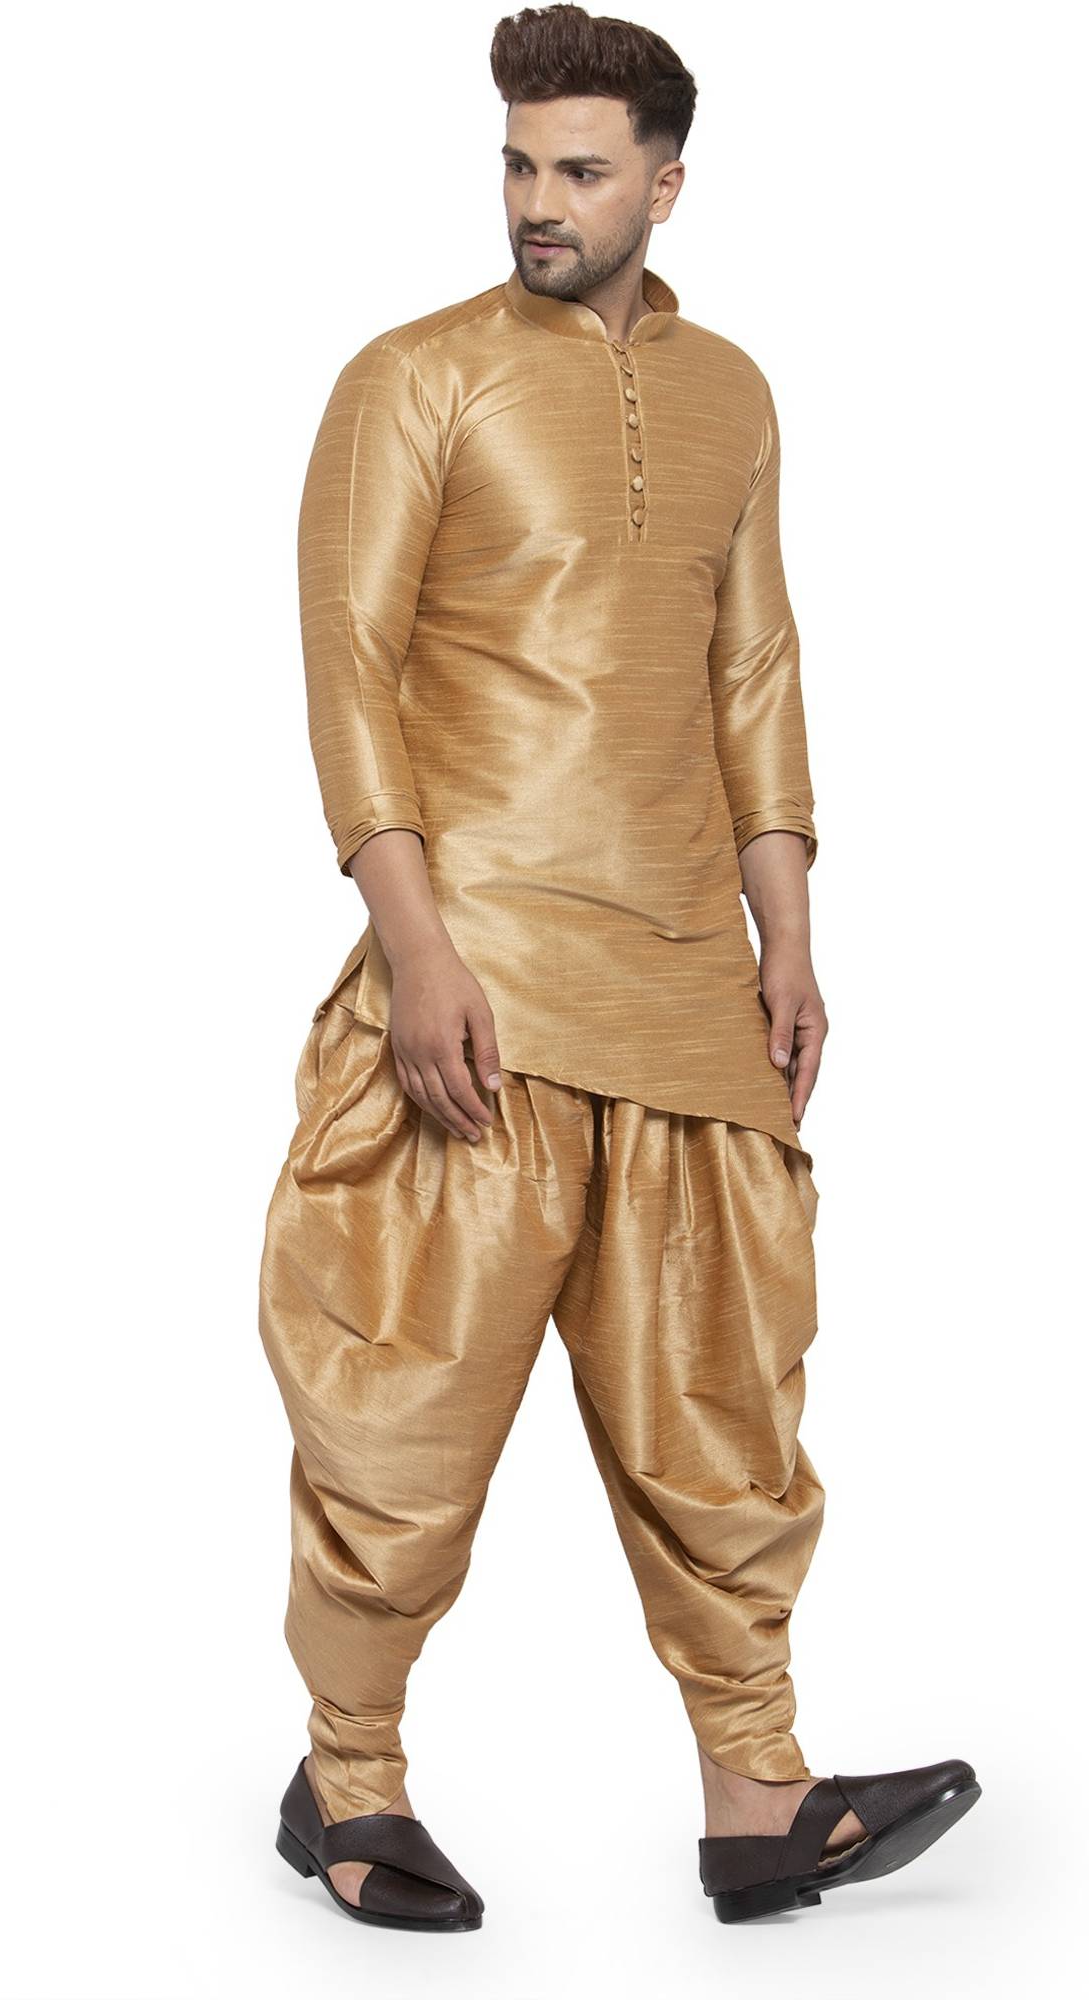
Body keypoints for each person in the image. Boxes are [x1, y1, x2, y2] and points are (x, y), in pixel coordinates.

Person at [258, 4, 979, 1930]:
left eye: (579, 169)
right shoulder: (413, 379)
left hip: (686, 986)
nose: (537, 201)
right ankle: (350, 1777)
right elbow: (348, 673)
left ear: (668, 184)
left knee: (723, 1409)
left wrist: (789, 932)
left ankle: (759, 1797)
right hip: (478, 978)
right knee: (408, 1410)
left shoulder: (735, 391)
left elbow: (757, 664)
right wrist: (415, 949)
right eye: (517, 163)